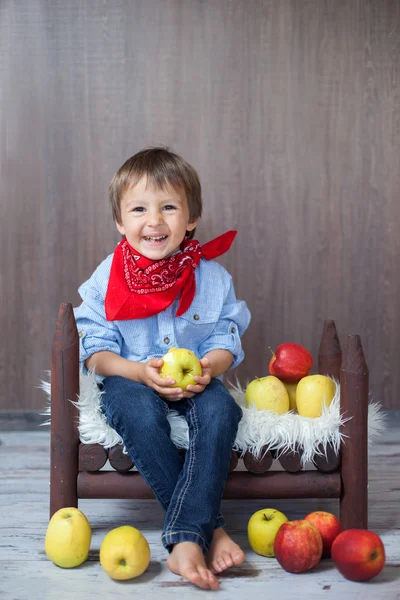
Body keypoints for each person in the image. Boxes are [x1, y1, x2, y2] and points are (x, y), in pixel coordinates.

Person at [74, 147, 251, 590]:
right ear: (120, 221)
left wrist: (212, 365)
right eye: (139, 209)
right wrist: (136, 372)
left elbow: (226, 336)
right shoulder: (106, 277)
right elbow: (95, 350)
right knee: (136, 412)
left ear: (191, 217)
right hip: (131, 378)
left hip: (197, 378)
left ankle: (186, 536)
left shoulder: (212, 277)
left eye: (169, 207)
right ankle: (204, 531)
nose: (154, 221)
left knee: (221, 411)